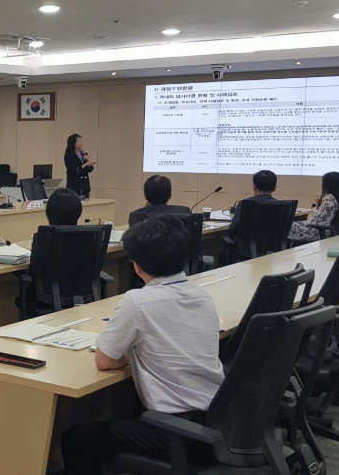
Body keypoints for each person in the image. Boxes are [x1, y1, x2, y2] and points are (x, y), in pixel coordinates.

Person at [61, 215, 224, 474]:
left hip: (177, 433)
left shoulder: (137, 302)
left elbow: (103, 361)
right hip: (218, 424)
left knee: (77, 438)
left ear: (136, 266)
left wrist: (134, 353)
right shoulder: (203, 297)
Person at [16, 188, 83, 317]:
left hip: (44, 300)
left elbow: (34, 270)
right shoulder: (89, 236)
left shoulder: (43, 237)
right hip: (81, 298)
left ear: (50, 213)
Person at [288, 171, 339, 243]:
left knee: (286, 226)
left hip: (318, 231)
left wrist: (315, 208)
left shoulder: (329, 198)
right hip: (328, 230)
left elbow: (316, 220)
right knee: (295, 223)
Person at [228, 169, 277, 235]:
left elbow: (233, 230)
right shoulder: (282, 205)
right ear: (274, 188)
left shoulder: (245, 203)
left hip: (246, 241)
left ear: (254, 186)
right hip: (274, 242)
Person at [64, 134, 95, 199]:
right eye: (78, 141)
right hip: (74, 185)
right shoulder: (69, 155)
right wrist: (85, 165)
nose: (80, 143)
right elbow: (72, 170)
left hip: (85, 185)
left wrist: (87, 160)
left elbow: (90, 169)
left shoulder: (83, 153)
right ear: (73, 143)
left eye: (80, 141)